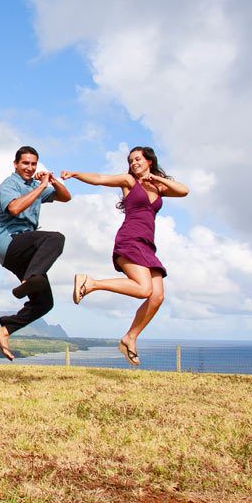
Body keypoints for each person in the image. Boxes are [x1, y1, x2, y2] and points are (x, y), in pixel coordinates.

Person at [62, 146, 188, 365]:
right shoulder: (129, 181)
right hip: (130, 239)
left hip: (148, 245)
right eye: (131, 161)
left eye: (138, 159)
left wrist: (157, 179)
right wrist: (75, 174)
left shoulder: (158, 187)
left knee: (157, 296)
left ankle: (130, 337)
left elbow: (184, 190)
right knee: (144, 289)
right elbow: (100, 179)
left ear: (149, 161)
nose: (134, 163)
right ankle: (91, 283)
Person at [0, 146, 71, 360]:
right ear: (15, 164)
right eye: (25, 163)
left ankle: (4, 331)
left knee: (44, 303)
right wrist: (41, 187)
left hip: (29, 249)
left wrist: (51, 181)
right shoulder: (8, 185)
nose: (30, 167)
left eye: (33, 164)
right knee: (55, 238)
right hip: (10, 243)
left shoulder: (36, 184)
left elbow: (66, 197)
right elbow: (15, 208)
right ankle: (30, 279)